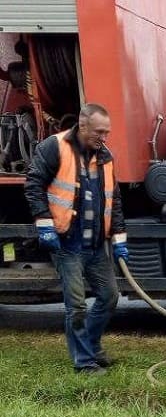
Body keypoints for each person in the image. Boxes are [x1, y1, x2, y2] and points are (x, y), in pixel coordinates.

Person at [23, 103, 128, 375]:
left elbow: (113, 199)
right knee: (77, 305)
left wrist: (119, 237)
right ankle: (84, 362)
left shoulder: (105, 156)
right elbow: (34, 184)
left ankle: (91, 346)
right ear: (83, 126)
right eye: (99, 131)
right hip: (67, 243)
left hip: (94, 245)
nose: (104, 137)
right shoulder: (54, 147)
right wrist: (44, 224)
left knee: (109, 297)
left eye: (107, 132)